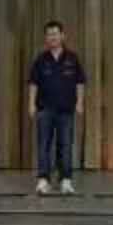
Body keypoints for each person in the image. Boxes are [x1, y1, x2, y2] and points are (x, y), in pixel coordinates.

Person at [28, 20, 86, 196]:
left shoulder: (72, 58)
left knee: (65, 145)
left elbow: (80, 82)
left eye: (55, 34)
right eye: (49, 34)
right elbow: (33, 83)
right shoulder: (41, 59)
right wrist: (31, 104)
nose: (52, 37)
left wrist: (80, 102)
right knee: (43, 145)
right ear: (46, 38)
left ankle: (65, 180)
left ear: (62, 36)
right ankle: (43, 180)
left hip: (66, 110)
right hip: (45, 109)